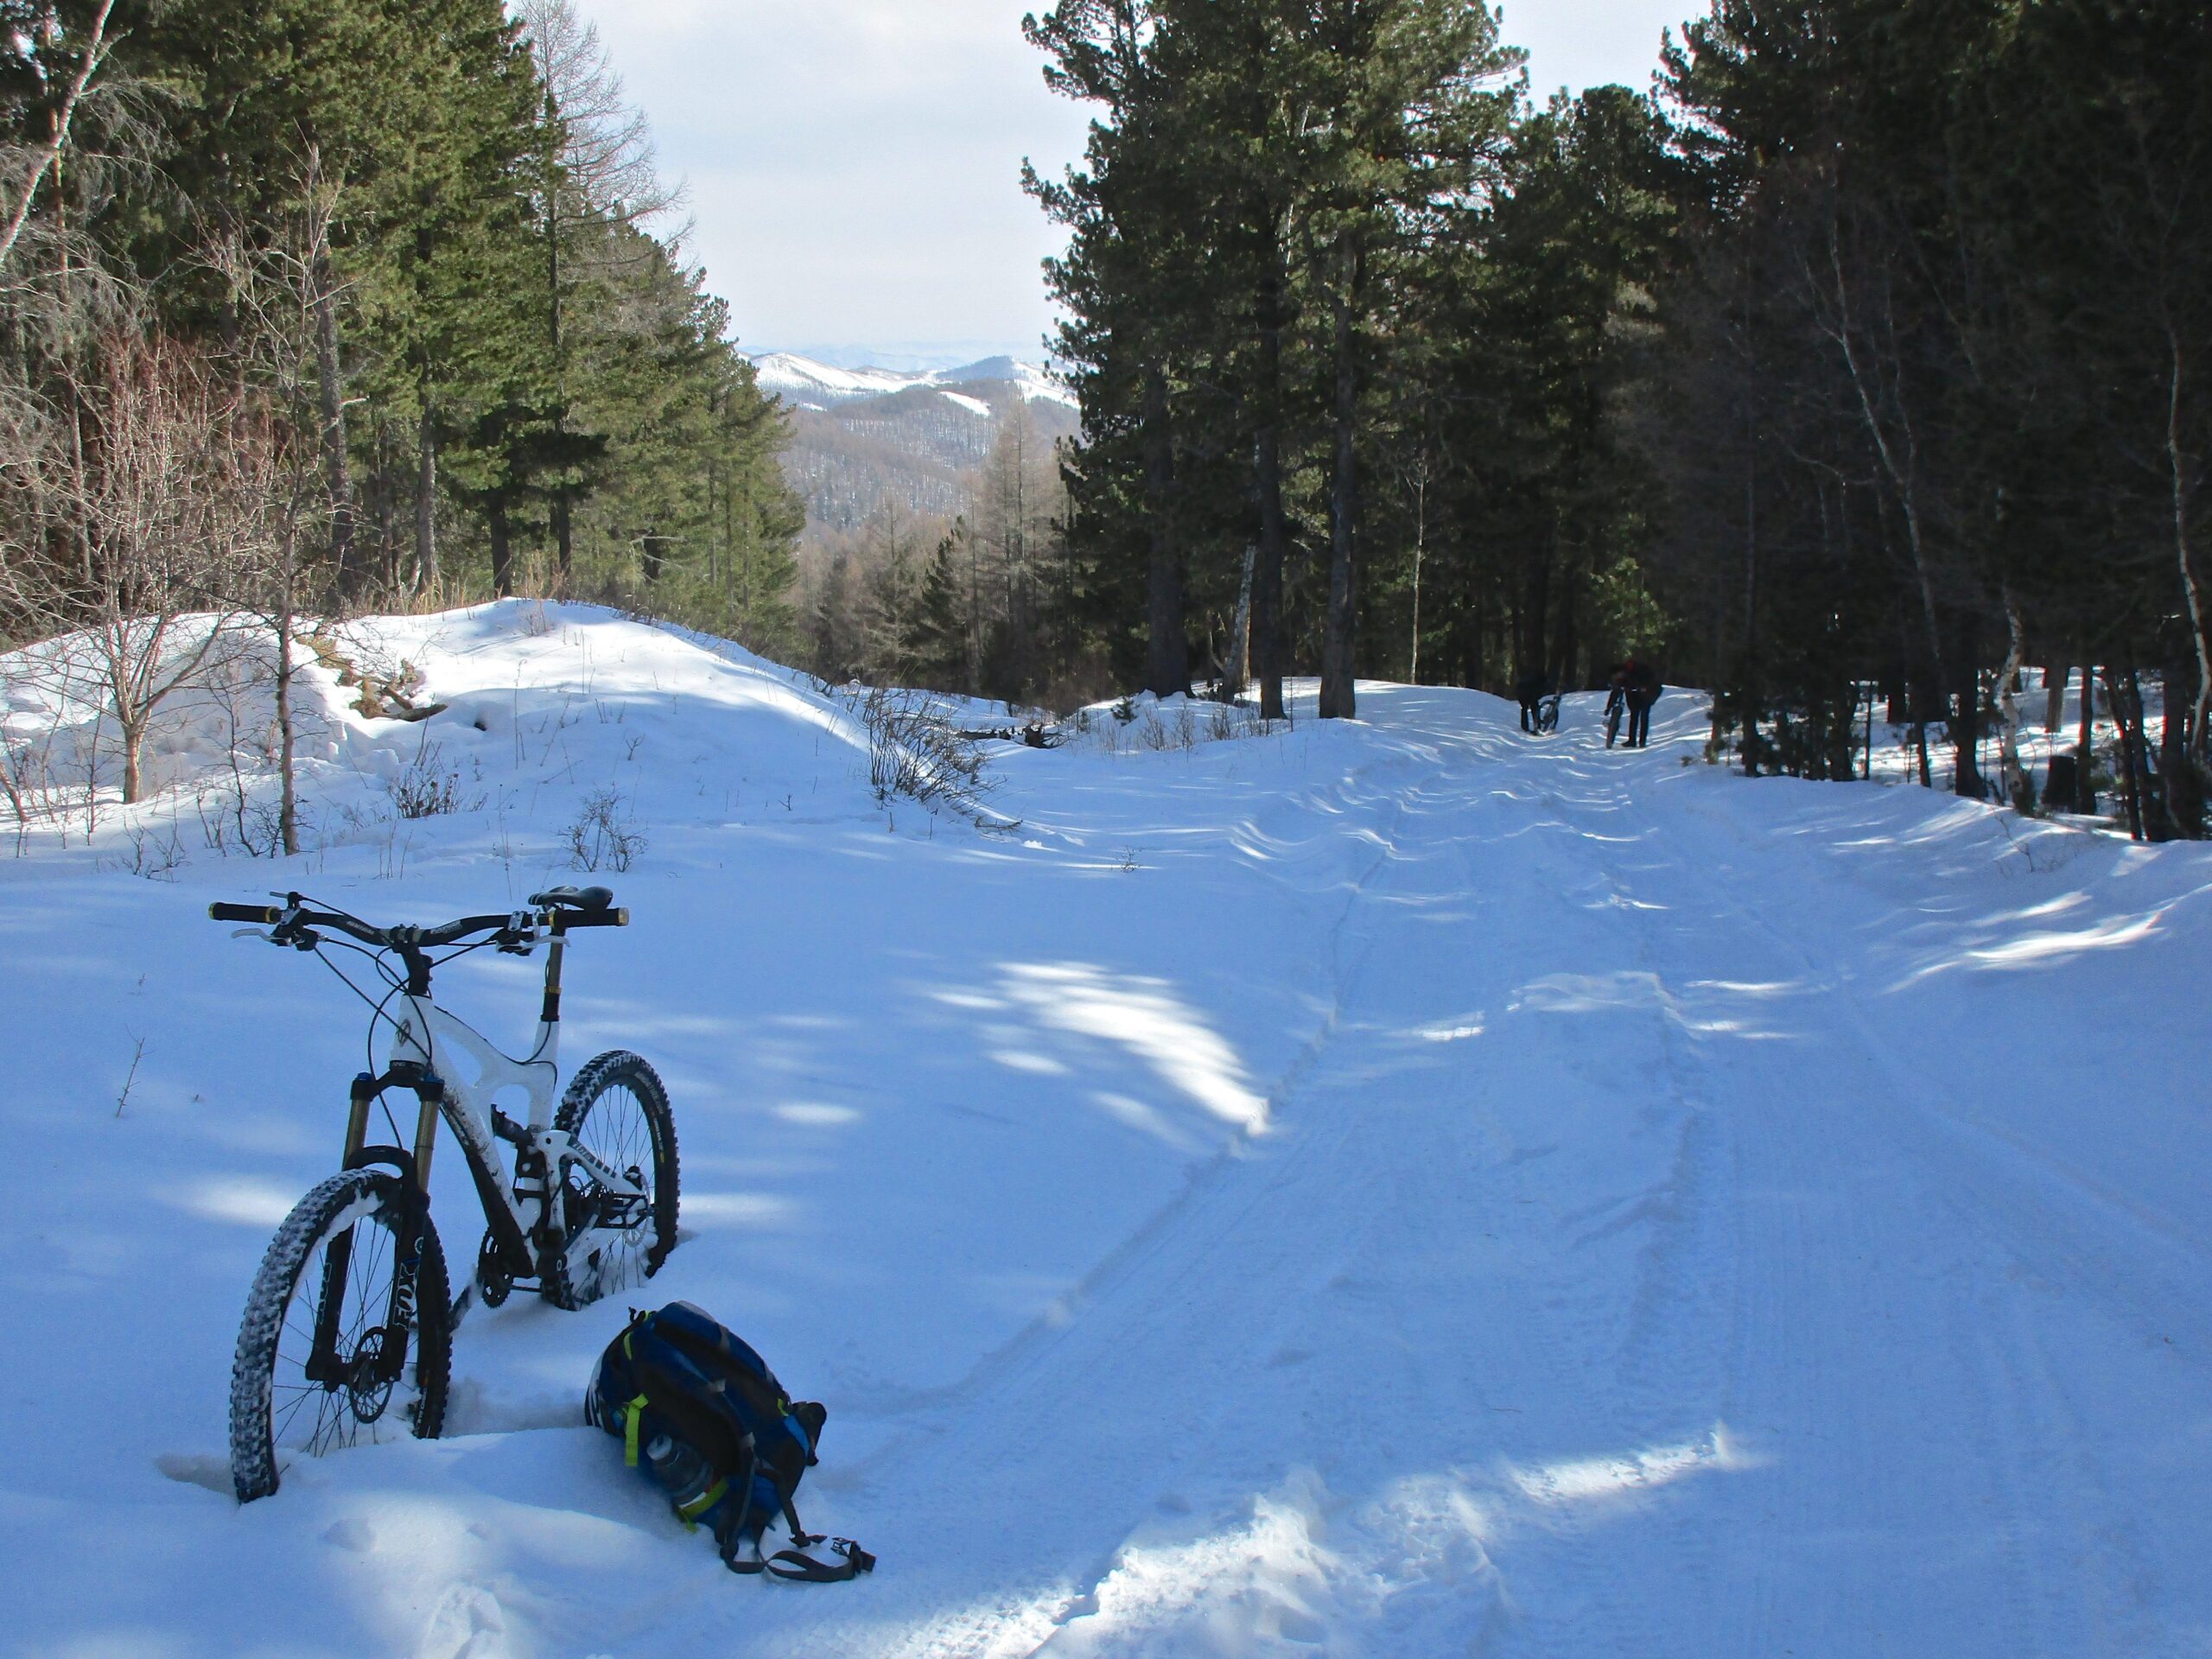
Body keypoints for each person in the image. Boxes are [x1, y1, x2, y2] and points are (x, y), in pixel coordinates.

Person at [1624, 658, 1663, 748]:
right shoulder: (1628, 672)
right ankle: (1632, 740)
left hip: (1647, 696)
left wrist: (1645, 689)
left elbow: (1654, 683)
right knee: (1634, 717)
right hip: (1635, 696)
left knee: (1644, 717)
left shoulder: (1644, 671)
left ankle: (1642, 741)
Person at [1516, 670, 1551, 735]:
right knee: (1535, 709)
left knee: (1524, 709)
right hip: (1528, 692)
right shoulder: (1539, 681)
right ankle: (1537, 727)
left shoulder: (1533, 678)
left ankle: (1525, 727)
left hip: (1521, 690)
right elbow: (1538, 691)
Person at [1603, 663, 1630, 748]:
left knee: (1618, 719)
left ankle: (1614, 732)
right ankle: (1611, 736)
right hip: (1618, 704)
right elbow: (1613, 695)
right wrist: (1608, 707)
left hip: (1628, 703)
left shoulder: (1629, 680)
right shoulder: (1617, 683)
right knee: (1615, 718)